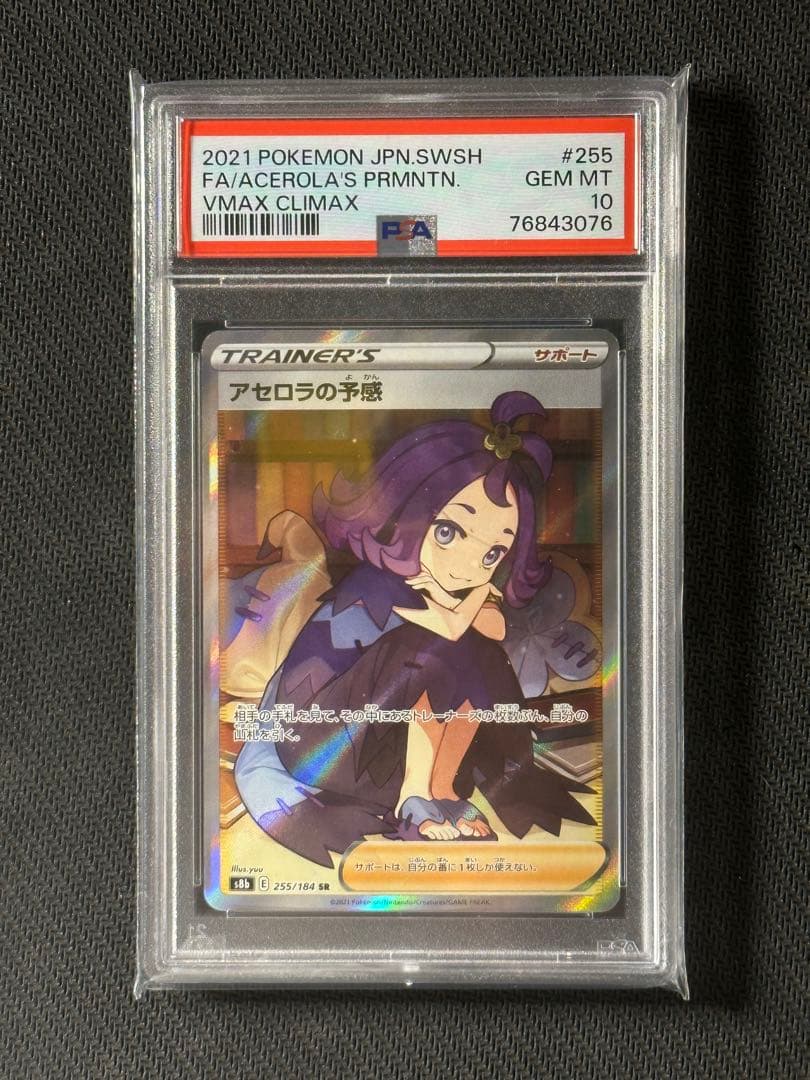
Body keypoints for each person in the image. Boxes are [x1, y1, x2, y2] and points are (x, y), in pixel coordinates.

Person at [233, 391, 595, 867]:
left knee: (478, 652)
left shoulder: (453, 589)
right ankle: (414, 796)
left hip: (381, 748)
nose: (466, 566)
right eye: (449, 532)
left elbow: (493, 628)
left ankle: (443, 790)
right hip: (321, 746)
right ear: (405, 512)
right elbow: (444, 633)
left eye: (492, 553)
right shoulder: (377, 583)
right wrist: (471, 602)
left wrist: (474, 599)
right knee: (430, 646)